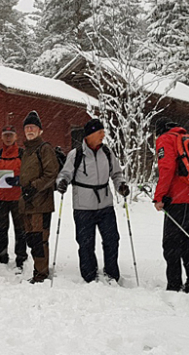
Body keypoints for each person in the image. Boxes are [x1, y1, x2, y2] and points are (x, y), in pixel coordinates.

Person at [56, 119, 128, 283]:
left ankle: (111, 274)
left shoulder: (107, 153)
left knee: (112, 239)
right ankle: (89, 275)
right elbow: (65, 174)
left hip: (105, 204)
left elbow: (116, 174)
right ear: (90, 135)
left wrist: (121, 185)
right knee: (85, 243)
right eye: (100, 132)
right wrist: (62, 182)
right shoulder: (76, 154)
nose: (103, 135)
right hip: (83, 206)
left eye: (103, 132)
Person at [152, 117, 189, 294]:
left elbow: (167, 168)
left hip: (180, 199)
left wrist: (159, 196)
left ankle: (174, 285)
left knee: (171, 245)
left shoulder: (165, 139)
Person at [18, 111, 60, 284]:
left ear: (40, 130)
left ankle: (41, 274)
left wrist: (34, 187)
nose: (29, 130)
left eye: (33, 127)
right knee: (31, 238)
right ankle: (38, 269)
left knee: (40, 239)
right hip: (27, 202)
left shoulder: (44, 149)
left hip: (41, 202)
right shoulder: (27, 151)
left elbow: (51, 173)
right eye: (27, 127)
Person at [0, 125, 28, 271]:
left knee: (20, 229)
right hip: (0, 198)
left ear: (16, 137)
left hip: (18, 199)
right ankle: (2, 256)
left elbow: (29, 175)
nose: (8, 138)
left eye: (10, 135)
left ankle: (21, 257)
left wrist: (18, 180)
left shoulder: (22, 154)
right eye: (5, 135)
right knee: (2, 229)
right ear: (2, 137)